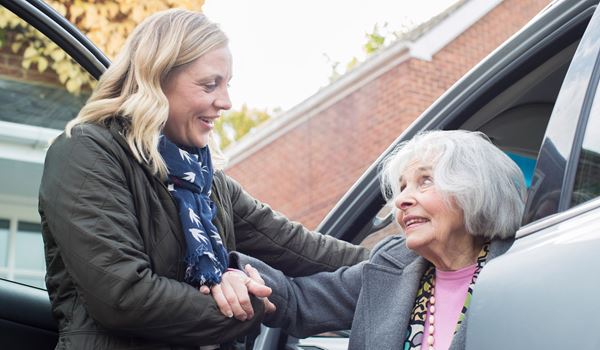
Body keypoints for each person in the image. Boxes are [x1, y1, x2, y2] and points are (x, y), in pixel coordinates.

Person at [38, 9, 368, 350]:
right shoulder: (86, 153)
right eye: (210, 84)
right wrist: (249, 305)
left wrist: (405, 264)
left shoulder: (203, 179)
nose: (225, 101)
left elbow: (294, 245)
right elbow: (123, 296)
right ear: (158, 79)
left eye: (227, 85)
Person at [227, 130, 527, 350]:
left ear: (474, 190)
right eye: (402, 187)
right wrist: (237, 276)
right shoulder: (391, 268)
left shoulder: (522, 266)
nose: (402, 200)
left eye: (425, 181)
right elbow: (299, 301)